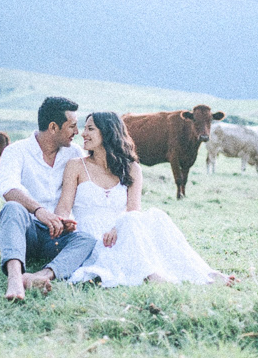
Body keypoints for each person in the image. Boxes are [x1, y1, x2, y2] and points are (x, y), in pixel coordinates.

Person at [55, 111, 238, 287]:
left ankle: (204, 272)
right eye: (85, 128)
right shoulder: (76, 166)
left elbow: (133, 210)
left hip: (121, 229)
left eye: (90, 129)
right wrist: (63, 223)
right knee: (132, 224)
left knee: (156, 217)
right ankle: (152, 275)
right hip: (90, 234)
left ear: (108, 132)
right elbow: (63, 207)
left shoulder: (132, 168)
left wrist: (118, 227)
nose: (83, 134)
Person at [0, 97, 97, 300]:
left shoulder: (74, 153)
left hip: (57, 237)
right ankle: (15, 278)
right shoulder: (16, 151)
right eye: (72, 126)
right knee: (12, 208)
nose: (77, 132)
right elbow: (8, 188)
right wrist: (39, 211)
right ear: (53, 127)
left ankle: (41, 276)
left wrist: (64, 222)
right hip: (28, 232)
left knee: (87, 240)